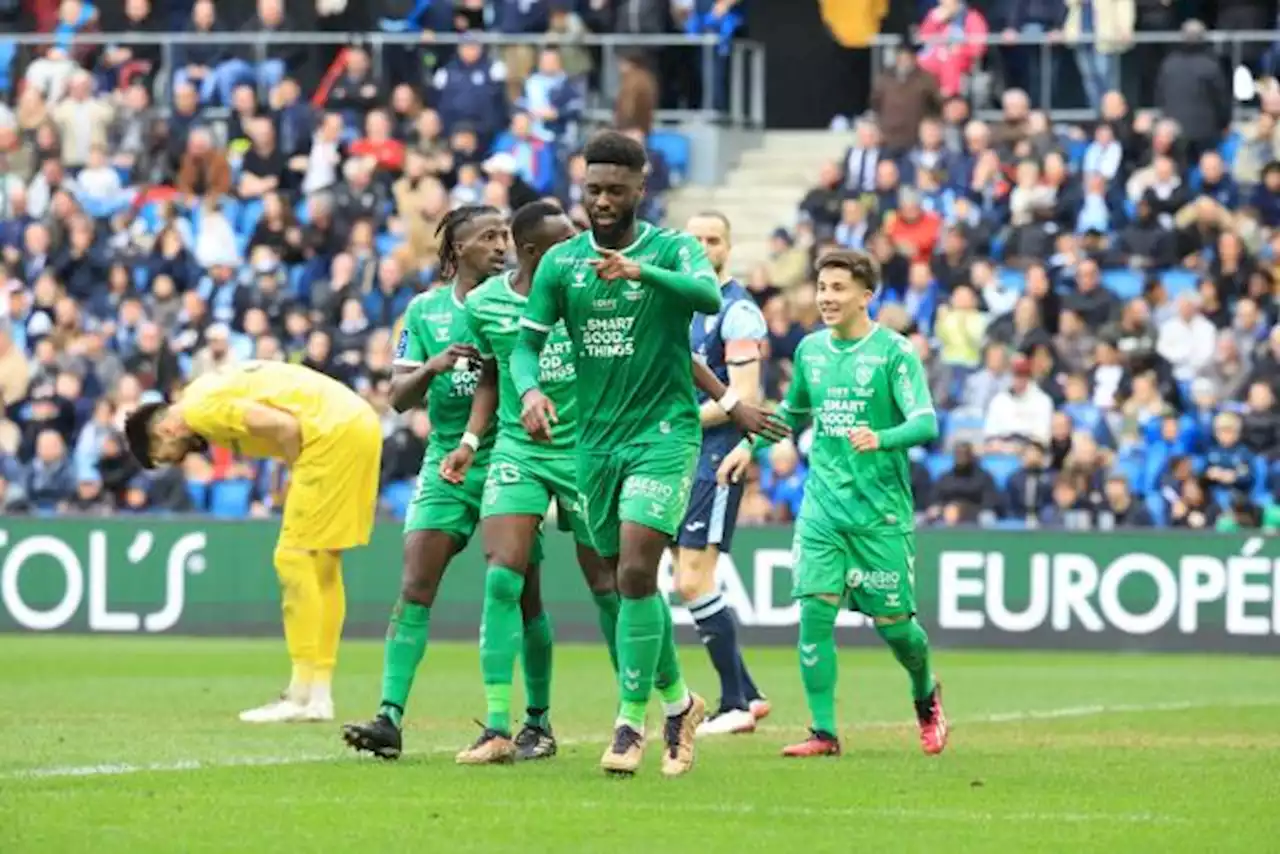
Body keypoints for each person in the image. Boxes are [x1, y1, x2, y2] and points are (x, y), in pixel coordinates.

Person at [449, 201, 785, 765]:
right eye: (567, 237)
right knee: (507, 577)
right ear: (538, 251)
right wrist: (473, 435)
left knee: (620, 578)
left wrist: (730, 402)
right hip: (543, 448)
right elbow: (497, 369)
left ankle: (643, 712)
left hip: (631, 439)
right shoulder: (498, 301)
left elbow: (670, 346)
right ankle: (505, 725)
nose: (581, 243)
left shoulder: (609, 274)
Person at [510, 131, 722, 777]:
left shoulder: (673, 248)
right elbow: (525, 346)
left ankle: (630, 724)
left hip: (662, 433)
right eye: (593, 188)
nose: (602, 200)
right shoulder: (561, 264)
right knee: (617, 577)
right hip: (592, 442)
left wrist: (640, 272)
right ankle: (681, 703)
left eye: (614, 189)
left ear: (641, 187)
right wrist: (530, 391)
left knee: (634, 569)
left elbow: (708, 297)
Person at [718, 249, 949, 759]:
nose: (826, 297)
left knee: (897, 631)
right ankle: (824, 732)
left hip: (880, 512)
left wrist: (883, 437)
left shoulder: (894, 352)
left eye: (838, 288)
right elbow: (793, 414)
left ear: (866, 296)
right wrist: (745, 446)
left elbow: (927, 422)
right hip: (822, 507)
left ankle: (925, 693)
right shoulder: (810, 351)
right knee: (814, 616)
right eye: (822, 286)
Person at [341, 205, 513, 760]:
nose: (501, 244)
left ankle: (520, 721)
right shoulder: (423, 311)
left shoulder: (519, 300)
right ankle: (389, 716)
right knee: (416, 582)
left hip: (509, 456)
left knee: (515, 588)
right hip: (445, 460)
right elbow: (396, 397)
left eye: (506, 235)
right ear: (458, 248)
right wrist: (433, 366)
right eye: (489, 236)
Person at [123, 360, 382, 723]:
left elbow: (286, 426)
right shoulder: (201, 390)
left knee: (290, 558)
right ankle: (318, 695)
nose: (176, 460)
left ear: (166, 429)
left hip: (329, 435)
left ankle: (300, 693)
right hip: (357, 421)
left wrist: (294, 472)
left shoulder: (201, 410)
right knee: (324, 562)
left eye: (164, 456)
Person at [674, 211, 771, 737]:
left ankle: (732, 702)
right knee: (684, 575)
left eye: (713, 240)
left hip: (714, 458)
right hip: (677, 458)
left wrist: (673, 418)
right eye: (694, 239)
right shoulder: (680, 305)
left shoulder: (737, 314)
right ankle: (749, 695)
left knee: (693, 581)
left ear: (727, 248)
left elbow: (745, 400)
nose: (703, 247)